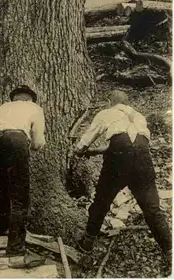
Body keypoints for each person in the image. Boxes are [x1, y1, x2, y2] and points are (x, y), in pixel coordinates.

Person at [75, 89, 172, 266]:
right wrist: (99, 151)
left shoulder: (106, 113)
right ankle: (169, 250)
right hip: (143, 158)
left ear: (110, 102)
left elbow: (91, 137)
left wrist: (79, 149)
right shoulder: (139, 116)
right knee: (151, 207)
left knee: (102, 199)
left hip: (119, 156)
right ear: (127, 103)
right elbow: (132, 144)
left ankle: (87, 245)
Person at [0, 85, 46, 267]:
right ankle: (15, 248)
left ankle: (2, 228)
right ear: (29, 99)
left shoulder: (3, 107)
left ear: (15, 98)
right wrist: (37, 144)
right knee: (20, 196)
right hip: (16, 139)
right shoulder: (35, 108)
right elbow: (37, 142)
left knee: (2, 185)